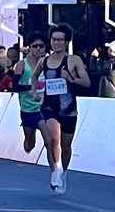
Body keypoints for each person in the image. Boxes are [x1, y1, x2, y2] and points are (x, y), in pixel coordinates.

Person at [32, 23, 90, 193]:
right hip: (49, 107)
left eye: (60, 40)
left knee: (66, 147)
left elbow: (86, 82)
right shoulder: (44, 61)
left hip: (68, 109)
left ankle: (63, 172)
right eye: (54, 39)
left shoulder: (73, 60)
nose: (56, 43)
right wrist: (35, 92)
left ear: (66, 42)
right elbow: (34, 77)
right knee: (53, 138)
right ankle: (56, 169)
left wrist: (71, 78)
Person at [9, 37, 47, 154]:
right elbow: (15, 87)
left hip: (44, 107)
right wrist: (32, 87)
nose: (38, 49)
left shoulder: (48, 63)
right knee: (30, 144)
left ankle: (55, 164)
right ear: (29, 48)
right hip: (28, 108)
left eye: (41, 46)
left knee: (50, 141)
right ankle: (29, 143)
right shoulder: (22, 65)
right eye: (35, 46)